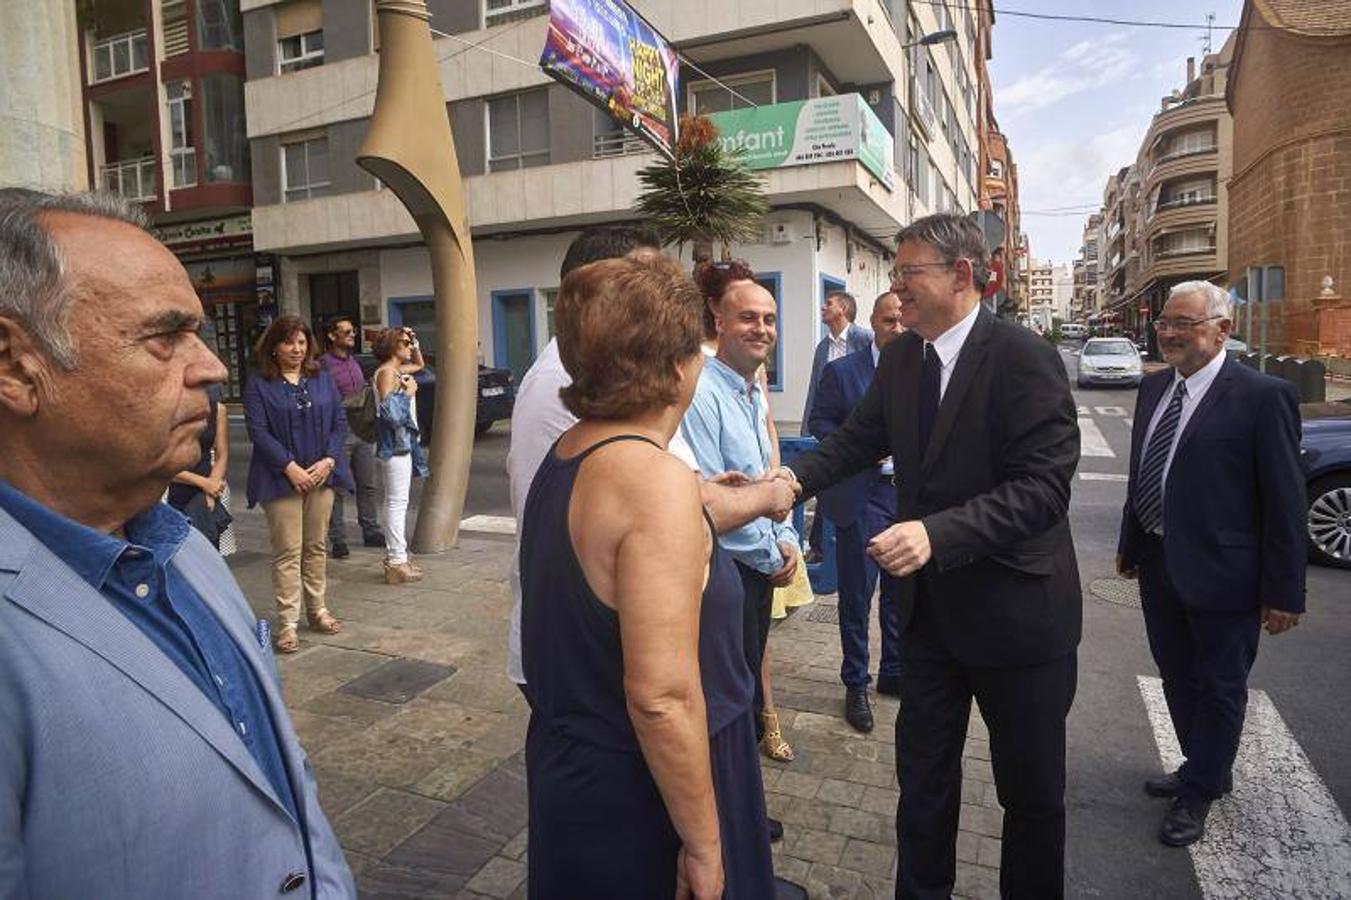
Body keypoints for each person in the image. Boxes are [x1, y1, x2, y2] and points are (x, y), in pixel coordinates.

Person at [0, 188, 353, 898]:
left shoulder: (180, 544)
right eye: (165, 337)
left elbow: (282, 780)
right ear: (13, 365)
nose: (211, 367)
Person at [776, 213, 1082, 899]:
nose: (896, 289)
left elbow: (1041, 491)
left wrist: (936, 534)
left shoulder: (1021, 358)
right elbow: (855, 442)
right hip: (932, 624)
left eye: (909, 273)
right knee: (922, 789)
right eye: (895, 275)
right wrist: (787, 483)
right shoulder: (903, 358)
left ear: (962, 276)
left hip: (1018, 621)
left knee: (1030, 800)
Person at [521, 254, 774, 899]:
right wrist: (705, 844)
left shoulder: (574, 447)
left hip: (575, 768)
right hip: (644, 789)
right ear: (675, 365)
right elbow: (662, 698)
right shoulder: (650, 479)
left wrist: (698, 498)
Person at [505, 226, 794, 690]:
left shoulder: (598, 371)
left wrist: (706, 488)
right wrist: (767, 496)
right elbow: (661, 701)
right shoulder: (577, 378)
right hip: (598, 662)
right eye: (644, 282)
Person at [1117, 281, 1304, 848]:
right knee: (1176, 674)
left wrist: (1285, 591)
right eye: (1164, 324)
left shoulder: (1262, 396)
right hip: (1158, 561)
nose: (1169, 333)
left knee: (1220, 685)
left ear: (1223, 330)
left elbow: (1285, 501)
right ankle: (1203, 765)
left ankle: (1198, 790)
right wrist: (1131, 542)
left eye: (1184, 324)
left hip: (1226, 575)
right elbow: (1144, 470)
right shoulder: (1153, 390)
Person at [680, 260, 801, 774]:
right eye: (748, 318)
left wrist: (789, 539)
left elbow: (769, 478)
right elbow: (711, 503)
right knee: (726, 705)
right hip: (726, 573)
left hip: (760, 567)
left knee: (746, 691)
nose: (762, 329)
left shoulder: (751, 389)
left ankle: (740, 807)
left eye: (769, 319)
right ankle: (728, 823)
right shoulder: (702, 393)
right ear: (718, 319)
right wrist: (774, 549)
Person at [807, 291, 906, 733]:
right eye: (889, 321)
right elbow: (820, 425)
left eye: (904, 321)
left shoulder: (926, 371)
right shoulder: (841, 372)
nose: (898, 329)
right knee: (857, 595)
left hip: (907, 498)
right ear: (873, 321)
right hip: (861, 495)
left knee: (901, 594)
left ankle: (894, 671)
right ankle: (855, 682)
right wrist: (857, 449)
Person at [244, 315, 353, 654]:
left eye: (302, 342)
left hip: (322, 476)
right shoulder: (259, 384)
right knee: (289, 551)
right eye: (289, 342)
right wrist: (290, 467)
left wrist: (329, 460)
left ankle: (317, 610)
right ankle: (288, 623)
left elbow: (339, 421)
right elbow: (258, 432)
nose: (296, 349)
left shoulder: (321, 377)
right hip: (280, 479)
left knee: (316, 546)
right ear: (274, 346)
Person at [800, 290, 872, 561]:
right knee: (825, 483)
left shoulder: (865, 339)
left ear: (843, 309)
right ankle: (820, 546)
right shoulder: (823, 347)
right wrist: (808, 428)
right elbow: (815, 390)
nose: (823, 307)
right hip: (829, 429)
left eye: (829, 303)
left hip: (857, 430)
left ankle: (831, 545)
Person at [319, 315, 383, 557]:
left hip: (362, 430)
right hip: (340, 432)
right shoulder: (323, 365)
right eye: (346, 332)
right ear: (332, 336)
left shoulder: (355, 362)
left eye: (353, 331)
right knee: (337, 487)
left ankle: (371, 530)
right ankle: (338, 539)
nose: (352, 335)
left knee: (367, 484)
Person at [371, 325, 428, 585]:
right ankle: (396, 561)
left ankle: (399, 559)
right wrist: (408, 393)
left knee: (398, 502)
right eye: (404, 342)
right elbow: (390, 416)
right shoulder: (386, 374)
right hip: (393, 446)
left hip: (402, 444)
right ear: (392, 346)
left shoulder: (396, 371)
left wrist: (415, 341)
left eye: (408, 342)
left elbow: (420, 363)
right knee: (396, 503)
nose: (408, 346)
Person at [168, 381, 232, 549]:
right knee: (174, 552)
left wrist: (212, 488)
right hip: (170, 487)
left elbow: (222, 454)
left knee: (208, 549)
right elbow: (160, 463)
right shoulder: (168, 411)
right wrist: (205, 484)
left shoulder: (217, 410)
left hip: (206, 486)